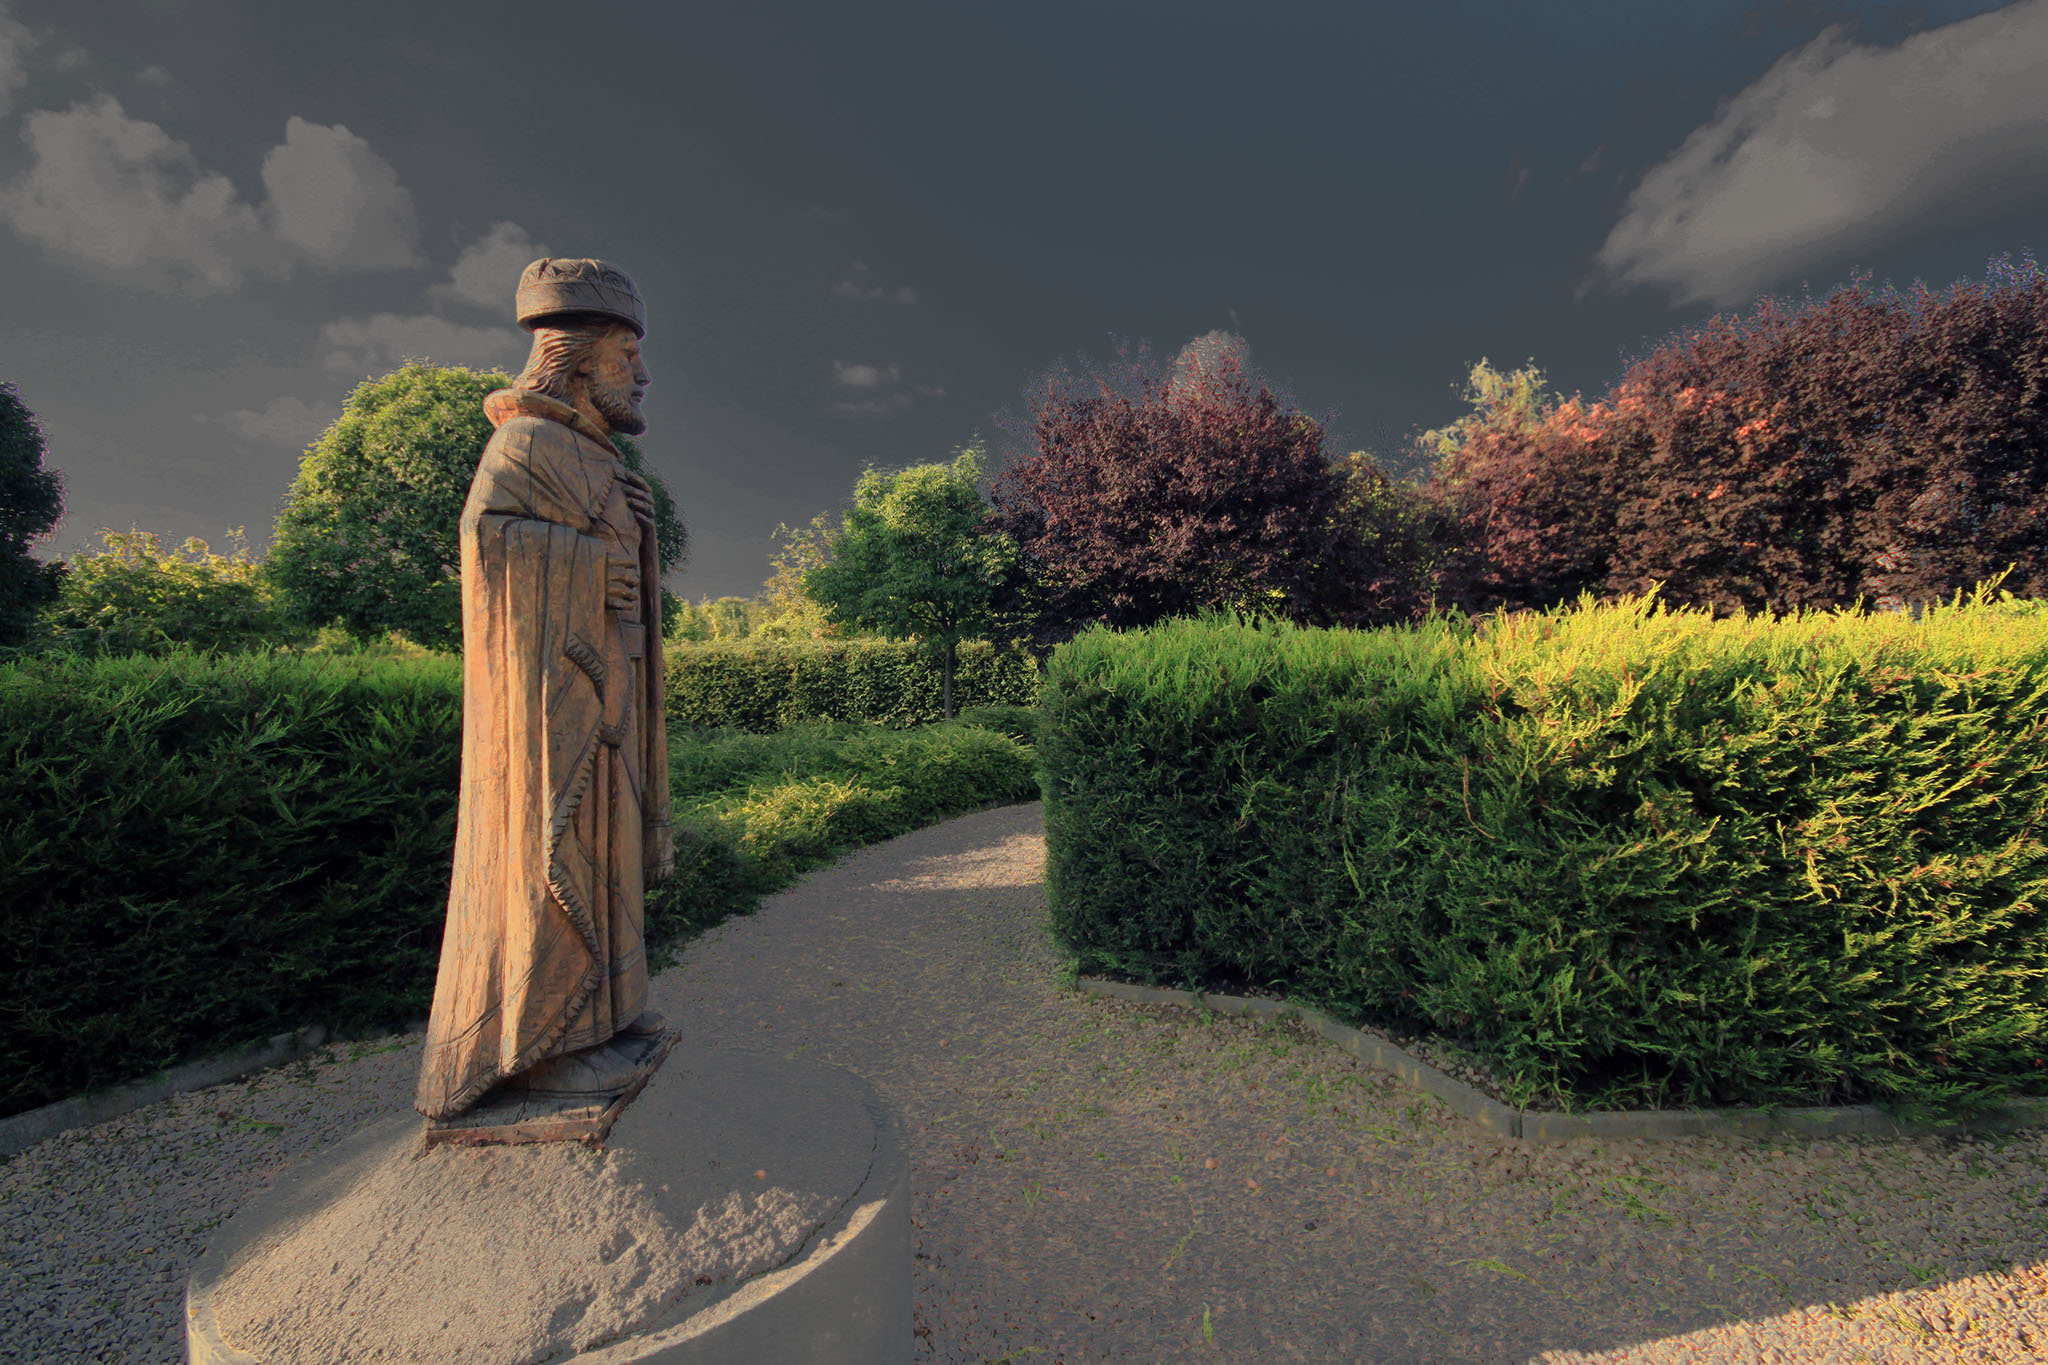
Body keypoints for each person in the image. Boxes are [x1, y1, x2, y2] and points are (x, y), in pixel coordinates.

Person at [415, 257, 676, 1124]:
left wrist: (638, 534)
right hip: (556, 715)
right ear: (576, 358)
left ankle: (607, 1018)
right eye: (626, 354)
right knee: (559, 860)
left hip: (609, 706)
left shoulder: (593, 456)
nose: (642, 374)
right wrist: (593, 563)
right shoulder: (525, 443)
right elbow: (489, 546)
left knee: (609, 862)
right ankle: (543, 1046)